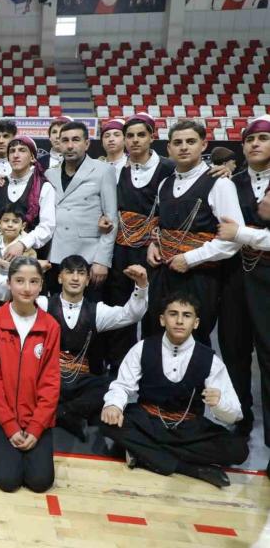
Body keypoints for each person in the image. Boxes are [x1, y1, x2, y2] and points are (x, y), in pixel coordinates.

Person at [100, 293, 248, 487]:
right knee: (107, 422)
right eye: (173, 314)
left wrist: (220, 404)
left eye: (186, 315)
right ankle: (190, 469)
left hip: (187, 429)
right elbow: (122, 385)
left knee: (239, 450)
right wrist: (114, 405)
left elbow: (235, 415)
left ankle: (144, 454)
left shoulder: (210, 360)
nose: (179, 321)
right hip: (147, 421)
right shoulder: (142, 348)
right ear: (163, 320)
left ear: (195, 323)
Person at [146, 120, 244, 345]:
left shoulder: (220, 183)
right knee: (157, 335)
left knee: (194, 339)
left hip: (200, 276)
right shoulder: (164, 184)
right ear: (168, 148)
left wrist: (190, 259)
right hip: (164, 273)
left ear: (203, 145)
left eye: (190, 141)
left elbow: (233, 239)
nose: (183, 147)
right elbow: (163, 226)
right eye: (177, 142)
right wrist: (154, 244)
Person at [43, 255, 149, 441]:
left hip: (80, 382)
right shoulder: (43, 304)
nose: (75, 278)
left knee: (110, 386)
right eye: (69, 272)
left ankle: (61, 413)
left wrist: (141, 286)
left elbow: (131, 315)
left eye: (81, 273)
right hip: (48, 378)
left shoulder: (97, 310)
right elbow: (16, 298)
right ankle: (73, 413)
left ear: (87, 280)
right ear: (60, 278)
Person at [0, 257, 60, 493]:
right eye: (20, 281)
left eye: (34, 281)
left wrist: (36, 427)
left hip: (35, 417)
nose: (27, 288)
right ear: (9, 283)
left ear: (41, 285)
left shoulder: (51, 326)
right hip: (0, 417)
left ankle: (26, 449)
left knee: (40, 482)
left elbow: (51, 382)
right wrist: (10, 425)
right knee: (9, 481)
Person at [104, 112, 175, 367]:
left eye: (141, 135)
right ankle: (119, 369)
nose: (135, 140)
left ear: (152, 137)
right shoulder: (114, 170)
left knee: (153, 311)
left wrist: (222, 170)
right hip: (121, 249)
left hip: (153, 250)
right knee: (120, 309)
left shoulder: (168, 168)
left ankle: (152, 368)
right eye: (130, 135)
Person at [215, 114, 270, 440]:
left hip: (268, 280)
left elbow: (233, 233)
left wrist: (243, 234)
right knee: (233, 351)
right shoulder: (230, 183)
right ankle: (240, 419)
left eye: (262, 138)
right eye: (249, 139)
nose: (254, 144)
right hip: (234, 277)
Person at [45, 121, 117, 295]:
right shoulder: (50, 173)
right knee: (56, 306)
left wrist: (102, 260)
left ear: (87, 143)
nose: (70, 146)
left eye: (76, 140)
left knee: (88, 309)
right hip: (55, 255)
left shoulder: (103, 170)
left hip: (89, 256)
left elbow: (111, 218)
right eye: (65, 140)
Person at [0, 135, 55, 260]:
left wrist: (22, 244)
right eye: (12, 151)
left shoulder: (44, 186)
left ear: (32, 157)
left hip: (31, 258)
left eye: (22, 150)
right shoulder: (0, 184)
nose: (16, 155)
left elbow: (47, 226)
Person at [0, 204, 38, 277]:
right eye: (6, 221)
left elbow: (28, 273)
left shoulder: (27, 248)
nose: (10, 225)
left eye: (15, 221)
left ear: (23, 226)